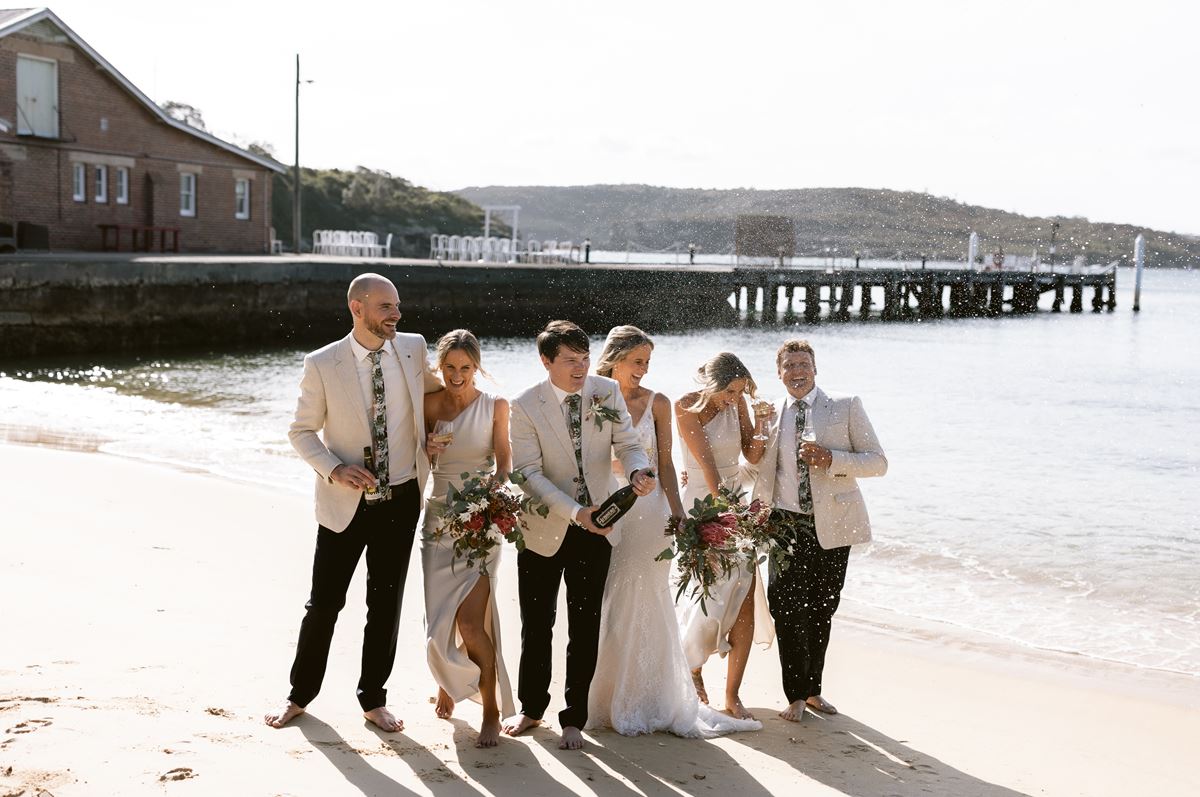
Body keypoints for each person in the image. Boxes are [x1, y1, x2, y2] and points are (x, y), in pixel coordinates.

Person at [265, 273, 441, 732]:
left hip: (403, 497)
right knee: (324, 603)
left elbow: (446, 392)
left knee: (385, 605)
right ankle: (299, 695)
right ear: (357, 309)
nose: (396, 315)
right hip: (346, 503)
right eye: (386, 307)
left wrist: (470, 425)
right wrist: (333, 469)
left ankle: (373, 698)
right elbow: (301, 431)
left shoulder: (413, 347)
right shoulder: (322, 363)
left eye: (398, 306)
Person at [588, 327, 761, 737]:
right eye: (637, 362)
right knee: (609, 595)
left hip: (652, 513)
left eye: (648, 362)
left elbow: (665, 463)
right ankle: (603, 691)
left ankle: (654, 692)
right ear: (615, 359)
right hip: (607, 506)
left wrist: (679, 513)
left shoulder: (659, 402)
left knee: (649, 594)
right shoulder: (592, 397)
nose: (644, 370)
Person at [502, 320, 655, 750]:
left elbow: (627, 443)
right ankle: (531, 708)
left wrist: (640, 468)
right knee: (537, 624)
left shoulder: (605, 391)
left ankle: (574, 717)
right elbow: (526, 472)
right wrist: (574, 512)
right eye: (570, 360)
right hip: (544, 527)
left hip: (599, 525)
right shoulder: (524, 405)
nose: (581, 367)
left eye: (585, 358)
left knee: (584, 624)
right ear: (546, 360)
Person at [752, 339, 887, 722]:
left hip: (834, 524)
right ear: (779, 373)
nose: (797, 371)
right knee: (784, 606)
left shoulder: (845, 406)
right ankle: (794, 694)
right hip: (784, 523)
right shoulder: (769, 412)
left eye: (803, 364)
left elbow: (878, 462)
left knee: (822, 608)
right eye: (789, 365)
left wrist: (832, 459)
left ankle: (813, 691)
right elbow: (758, 467)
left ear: (815, 369)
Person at [420, 330, 515, 748]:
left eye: (466, 367)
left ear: (477, 367)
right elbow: (413, 461)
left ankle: (490, 708)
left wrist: (487, 503)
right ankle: (450, 682)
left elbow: (504, 465)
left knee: (472, 623)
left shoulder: (496, 406)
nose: (457, 375)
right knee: (439, 624)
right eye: (450, 367)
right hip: (438, 521)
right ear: (440, 367)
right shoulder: (428, 405)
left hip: (479, 523)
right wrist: (426, 448)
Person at [674, 352, 774, 721]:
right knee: (707, 597)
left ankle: (732, 694)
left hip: (736, 505)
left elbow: (753, 455)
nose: (735, 399)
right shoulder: (685, 405)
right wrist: (730, 514)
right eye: (730, 391)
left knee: (745, 596)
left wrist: (761, 423)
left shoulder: (739, 404)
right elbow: (707, 467)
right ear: (713, 384)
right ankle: (694, 669)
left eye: (741, 392)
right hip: (704, 503)